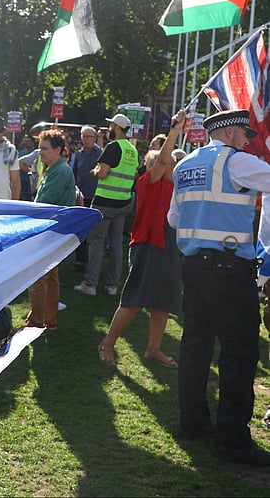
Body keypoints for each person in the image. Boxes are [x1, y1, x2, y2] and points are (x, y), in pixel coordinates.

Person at [168, 109, 270, 466]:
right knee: (239, 352)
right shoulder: (236, 162)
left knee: (196, 346)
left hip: (193, 267)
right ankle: (232, 440)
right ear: (229, 133)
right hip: (229, 270)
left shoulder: (186, 165)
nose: (247, 142)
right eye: (245, 135)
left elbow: (173, 218)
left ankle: (193, 423)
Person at [97, 110, 186, 368]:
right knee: (134, 299)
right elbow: (161, 161)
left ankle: (153, 349)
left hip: (169, 245)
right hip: (148, 244)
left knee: (164, 301)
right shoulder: (149, 181)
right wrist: (175, 131)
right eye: (170, 163)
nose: (173, 166)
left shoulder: (173, 186)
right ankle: (107, 343)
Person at [73, 113, 137, 297]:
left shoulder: (112, 147)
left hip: (104, 203)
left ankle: (90, 284)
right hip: (123, 202)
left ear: (116, 128)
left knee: (96, 243)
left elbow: (103, 173)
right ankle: (113, 286)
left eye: (111, 126)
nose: (109, 129)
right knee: (116, 245)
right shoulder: (132, 150)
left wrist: (95, 171)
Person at [23, 130, 77, 330]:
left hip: (50, 231)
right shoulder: (55, 168)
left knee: (37, 276)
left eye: (44, 148)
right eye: (39, 147)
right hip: (54, 231)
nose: (40, 152)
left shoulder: (60, 170)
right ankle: (49, 320)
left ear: (58, 150)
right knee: (50, 276)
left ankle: (36, 323)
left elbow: (45, 203)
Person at [69, 126, 102, 269]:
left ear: (94, 138)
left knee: (94, 232)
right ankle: (80, 260)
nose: (86, 139)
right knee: (80, 229)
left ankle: (92, 262)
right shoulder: (79, 154)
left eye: (89, 136)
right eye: (84, 136)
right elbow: (74, 173)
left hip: (95, 197)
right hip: (80, 197)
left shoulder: (100, 153)